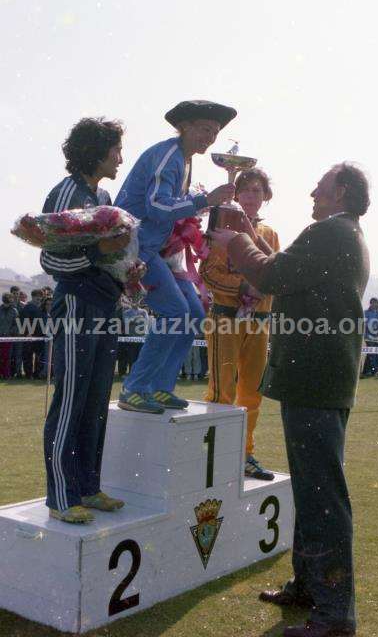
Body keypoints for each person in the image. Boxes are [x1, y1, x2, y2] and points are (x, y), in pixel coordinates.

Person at [209, 162, 370, 637]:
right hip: (322, 381)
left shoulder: (330, 233)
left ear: (341, 191)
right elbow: (281, 270)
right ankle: (309, 587)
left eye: (320, 187)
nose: (312, 193)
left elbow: (272, 275)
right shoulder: (344, 234)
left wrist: (233, 237)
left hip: (316, 382)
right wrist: (247, 235)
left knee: (322, 495)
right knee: (312, 488)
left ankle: (336, 612)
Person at [40, 117, 135, 524]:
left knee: (96, 402)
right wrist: (100, 253)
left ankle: (88, 487)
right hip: (77, 306)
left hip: (106, 306)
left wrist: (126, 269)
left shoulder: (103, 196)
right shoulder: (66, 193)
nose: (120, 157)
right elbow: (49, 258)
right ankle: (61, 497)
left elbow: (106, 255)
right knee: (71, 402)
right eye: (115, 149)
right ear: (96, 150)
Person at [114, 100, 237, 414]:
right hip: (133, 247)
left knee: (194, 314)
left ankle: (161, 387)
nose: (210, 137)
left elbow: (173, 207)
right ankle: (135, 388)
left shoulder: (184, 159)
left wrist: (202, 211)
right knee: (174, 314)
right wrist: (203, 201)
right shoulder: (168, 155)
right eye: (204, 129)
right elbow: (157, 206)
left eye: (215, 132)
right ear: (184, 126)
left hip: (155, 249)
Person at [200, 168, 279, 480]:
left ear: (265, 197)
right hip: (226, 318)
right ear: (235, 194)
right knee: (221, 390)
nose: (251, 196)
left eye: (257, 191)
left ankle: (244, 454)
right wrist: (243, 287)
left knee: (252, 392)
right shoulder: (221, 227)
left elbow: (276, 271)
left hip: (259, 320)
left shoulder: (270, 233)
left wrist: (261, 289)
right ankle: (213, 456)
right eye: (245, 190)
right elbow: (208, 273)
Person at [20, 289, 45, 378]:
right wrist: (28, 332)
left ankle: (37, 373)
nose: (39, 298)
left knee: (39, 356)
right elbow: (25, 321)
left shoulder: (41, 308)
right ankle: (28, 374)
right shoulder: (28, 307)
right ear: (33, 296)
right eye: (37, 296)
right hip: (29, 335)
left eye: (40, 296)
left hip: (39, 335)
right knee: (28, 355)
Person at [361, 297, 378, 377]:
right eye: (373, 302)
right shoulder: (365, 312)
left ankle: (368, 371)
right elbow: (364, 325)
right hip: (368, 336)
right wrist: (366, 336)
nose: (374, 304)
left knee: (371, 353)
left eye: (376, 302)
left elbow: (377, 325)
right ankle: (371, 371)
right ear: (371, 303)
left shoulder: (377, 313)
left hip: (375, 336)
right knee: (371, 353)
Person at [0, 293, 18, 379]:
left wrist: (10, 332)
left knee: (7, 356)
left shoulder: (14, 311)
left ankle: (6, 374)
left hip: (8, 337)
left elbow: (16, 325)